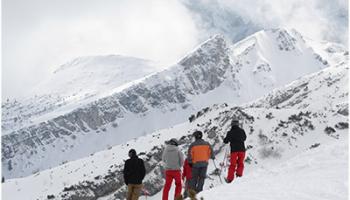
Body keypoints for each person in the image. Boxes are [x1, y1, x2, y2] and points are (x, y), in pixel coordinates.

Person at [223, 118, 247, 183]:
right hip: (242, 150)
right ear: (238, 124)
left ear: (232, 125)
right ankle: (239, 176)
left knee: (233, 164)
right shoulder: (242, 131)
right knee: (240, 163)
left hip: (234, 150)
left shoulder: (230, 132)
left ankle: (230, 179)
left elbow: (225, 141)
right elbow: (244, 138)